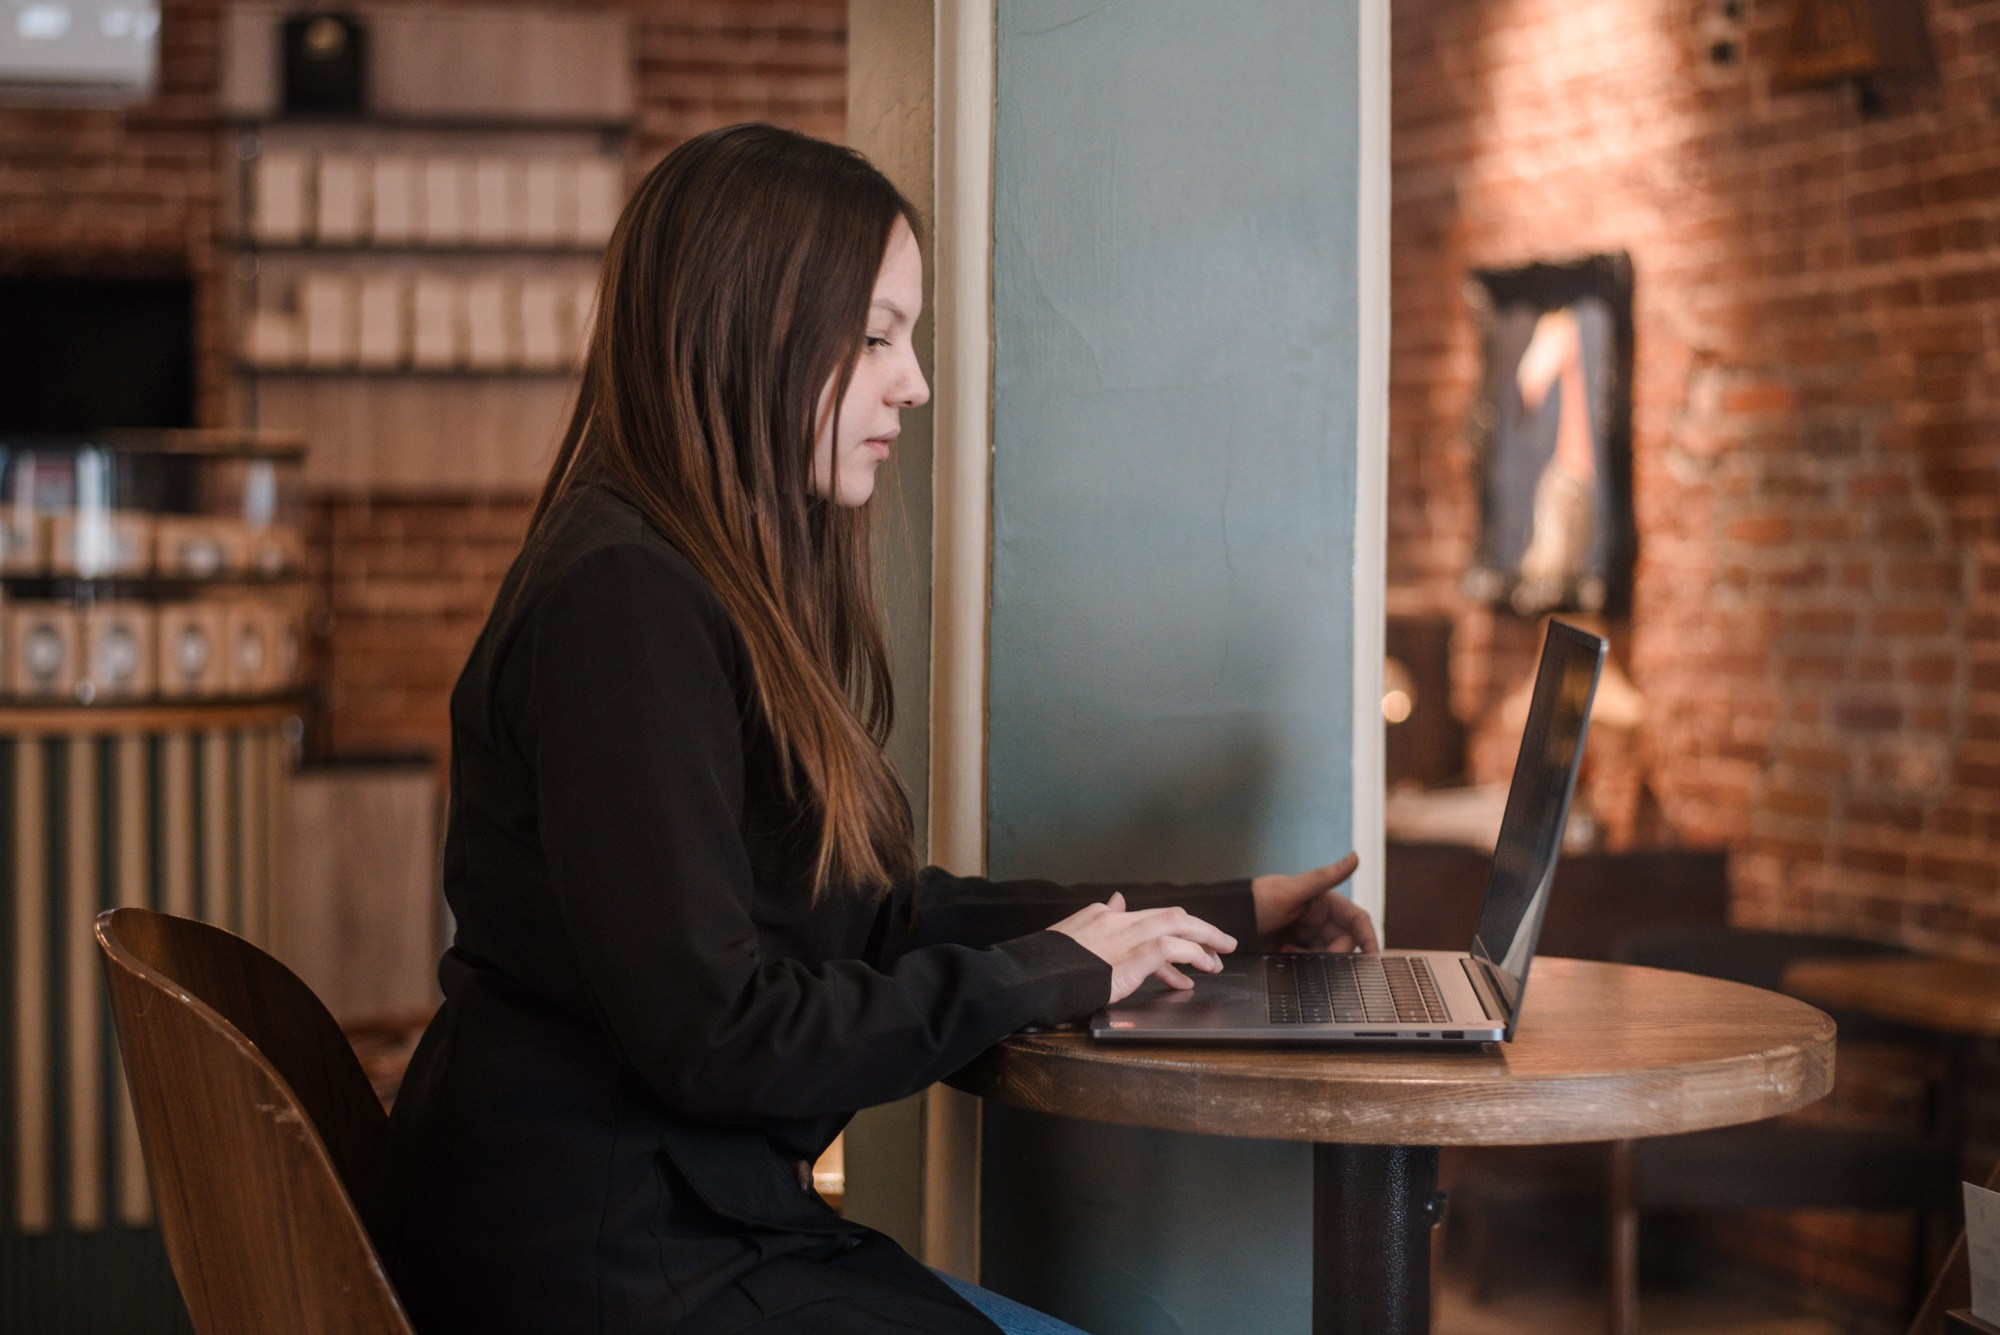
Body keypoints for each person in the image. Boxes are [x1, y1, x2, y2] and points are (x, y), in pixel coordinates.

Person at [370, 123, 1377, 1335]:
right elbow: (716, 1033)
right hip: (606, 1263)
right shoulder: (624, 602)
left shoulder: (677, 581)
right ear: (754, 331)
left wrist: (1224, 916)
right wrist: (1040, 975)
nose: (915, 382)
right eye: (877, 336)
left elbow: (876, 919)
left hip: (672, 1227)